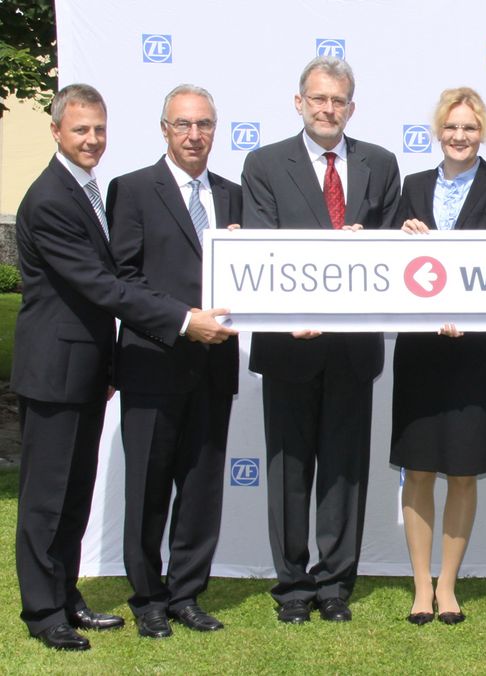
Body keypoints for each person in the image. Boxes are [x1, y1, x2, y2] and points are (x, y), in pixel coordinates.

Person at [12, 84, 235, 651]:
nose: (92, 139)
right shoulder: (53, 198)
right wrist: (185, 320)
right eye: (81, 130)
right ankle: (43, 612)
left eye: (99, 130)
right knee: (47, 498)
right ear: (57, 131)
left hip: (91, 368)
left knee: (73, 495)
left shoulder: (83, 189)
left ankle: (66, 598)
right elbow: (107, 284)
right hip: (61, 368)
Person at [241, 56, 400, 624]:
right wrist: (291, 311)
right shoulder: (262, 164)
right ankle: (292, 587)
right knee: (287, 470)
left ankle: (335, 585)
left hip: (353, 346)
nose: (328, 109)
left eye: (338, 101)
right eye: (318, 99)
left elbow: (391, 248)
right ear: (299, 102)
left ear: (351, 107)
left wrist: (369, 243)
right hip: (289, 344)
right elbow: (259, 247)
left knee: (344, 471)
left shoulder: (380, 163)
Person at [106, 85, 241, 639]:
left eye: (204, 124)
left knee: (202, 489)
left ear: (215, 129)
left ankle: (187, 593)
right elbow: (123, 282)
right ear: (164, 128)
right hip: (152, 362)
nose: (194, 135)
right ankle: (148, 598)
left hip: (214, 369)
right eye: (183, 124)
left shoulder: (233, 196)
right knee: (148, 491)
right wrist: (186, 320)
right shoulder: (133, 189)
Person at [391, 87, 486, 626]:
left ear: (482, 131)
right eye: (452, 127)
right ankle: (420, 587)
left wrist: (466, 310)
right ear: (437, 132)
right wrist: (400, 235)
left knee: (464, 471)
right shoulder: (414, 184)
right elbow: (390, 266)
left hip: (478, 350)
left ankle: (448, 586)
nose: (460, 136)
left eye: (470, 128)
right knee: (419, 468)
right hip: (421, 348)